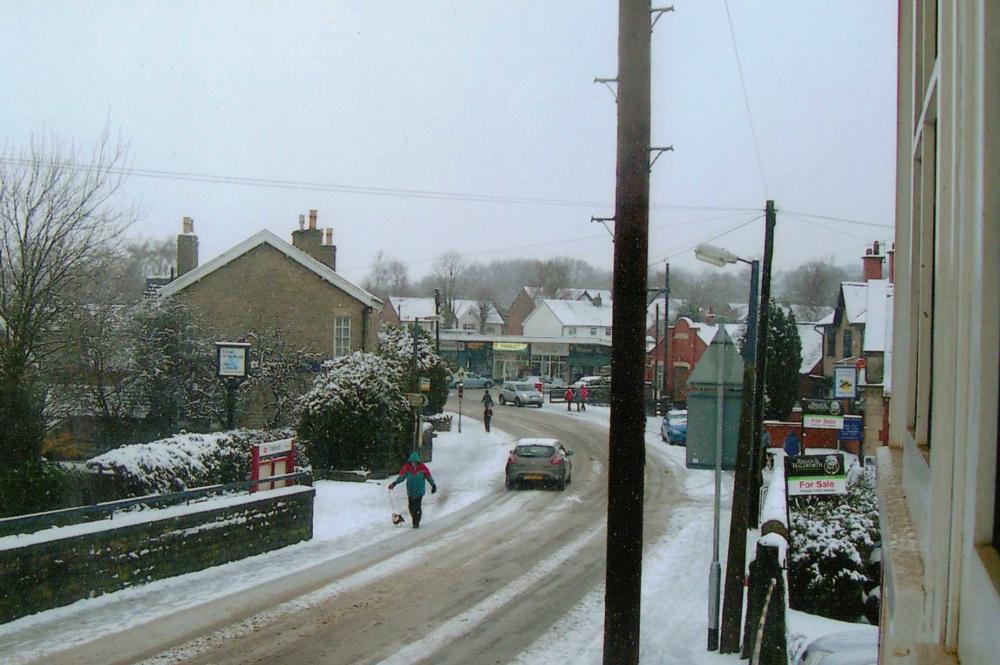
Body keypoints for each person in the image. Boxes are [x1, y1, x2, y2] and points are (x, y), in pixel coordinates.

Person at [388, 451, 437, 528]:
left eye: (415, 462)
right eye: (412, 462)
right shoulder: (406, 468)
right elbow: (401, 477)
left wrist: (433, 485)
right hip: (410, 491)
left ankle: (416, 522)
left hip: (419, 490)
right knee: (411, 506)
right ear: (410, 461)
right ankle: (415, 518)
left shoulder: (423, 468)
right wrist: (394, 483)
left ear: (418, 461)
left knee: (417, 506)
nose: (413, 463)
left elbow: (428, 477)